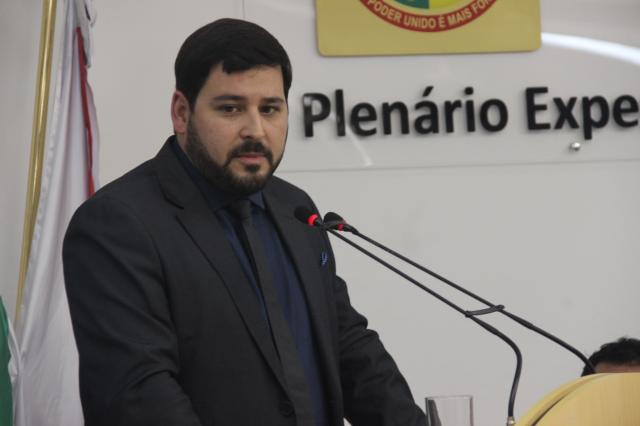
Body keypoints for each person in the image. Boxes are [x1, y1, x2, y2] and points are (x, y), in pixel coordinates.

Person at [63, 18, 426, 426]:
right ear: (181, 112)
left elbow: (349, 348)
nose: (255, 130)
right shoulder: (118, 225)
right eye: (231, 108)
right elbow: (139, 397)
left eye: (270, 109)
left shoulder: (295, 209)